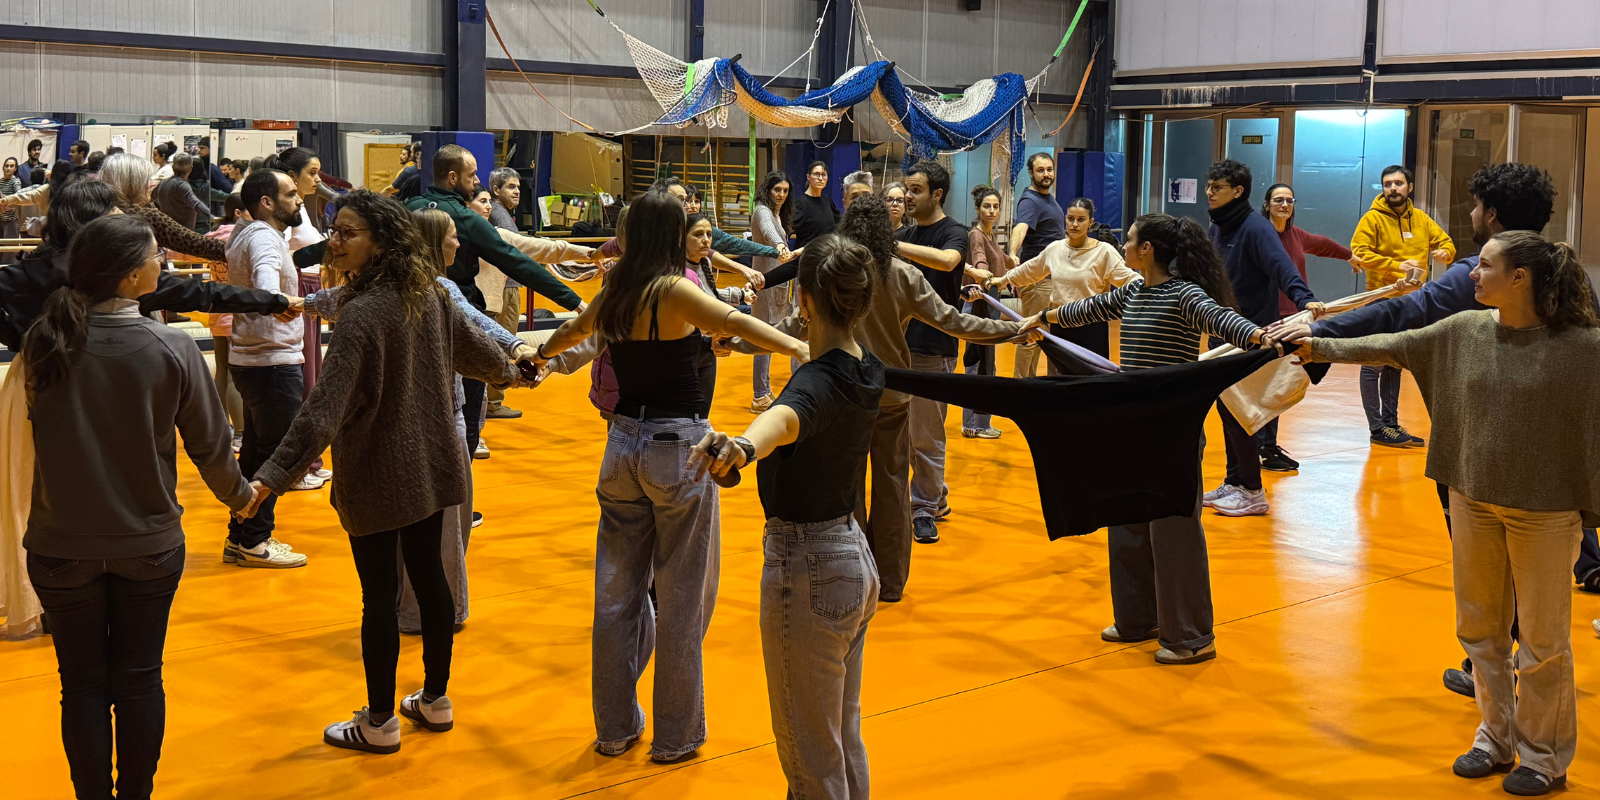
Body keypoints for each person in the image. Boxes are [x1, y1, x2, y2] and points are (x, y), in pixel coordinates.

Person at [1271, 162, 1600, 699]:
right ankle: (1513, 677)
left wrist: (1319, 330)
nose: (1470, 215)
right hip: (1551, 465)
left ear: (1492, 215)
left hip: (1480, 454)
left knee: (1491, 579)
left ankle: (1497, 676)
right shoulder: (1568, 273)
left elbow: (1405, 316)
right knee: (1538, 580)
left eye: (1475, 207)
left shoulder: (1481, 274)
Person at [1300, 231, 1599, 797]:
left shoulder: (1584, 348)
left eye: (1485, 265)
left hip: (1546, 513)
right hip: (1472, 500)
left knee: (1542, 641)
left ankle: (1544, 757)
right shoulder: (1463, 331)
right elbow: (1390, 343)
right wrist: (1315, 345)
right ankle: (1496, 736)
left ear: (1522, 278)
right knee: (1481, 630)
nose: (1470, 274)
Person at [528, 190, 808, 763]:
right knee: (682, 599)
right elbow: (738, 322)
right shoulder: (674, 290)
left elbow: (568, 336)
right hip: (677, 448)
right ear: (670, 236)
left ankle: (614, 727)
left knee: (616, 596)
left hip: (620, 447)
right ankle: (676, 735)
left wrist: (535, 359)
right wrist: (802, 345)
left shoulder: (616, 292)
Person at [245, 190, 519, 753]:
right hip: (434, 463)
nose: (336, 242)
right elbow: (479, 356)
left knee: (381, 597)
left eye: (348, 232)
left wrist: (270, 477)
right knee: (431, 581)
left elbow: (325, 409)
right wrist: (514, 372)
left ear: (383, 243)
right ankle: (435, 700)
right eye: (334, 230)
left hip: (376, 471)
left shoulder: (363, 313)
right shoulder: (428, 296)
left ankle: (379, 721)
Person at [21, 214, 263, 800]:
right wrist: (242, 498)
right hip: (148, 545)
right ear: (132, 278)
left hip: (58, 547)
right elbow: (211, 445)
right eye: (157, 256)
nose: (165, 263)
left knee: (79, 686)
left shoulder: (43, 340)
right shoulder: (171, 346)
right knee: (137, 680)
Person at [735, 194, 1026, 600]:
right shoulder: (904, 274)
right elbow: (953, 321)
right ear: (888, 232)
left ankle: (855, 578)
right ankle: (890, 583)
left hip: (841, 398)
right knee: (892, 489)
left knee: (846, 489)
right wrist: (1014, 329)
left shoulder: (835, 273)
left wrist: (735, 340)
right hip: (891, 398)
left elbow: (789, 326)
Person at [1021, 213, 1280, 665]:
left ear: (1149, 251)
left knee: (1173, 533)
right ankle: (1138, 619)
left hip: (1172, 431)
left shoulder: (1185, 295)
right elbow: (1088, 308)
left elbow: (1224, 321)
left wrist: (1261, 336)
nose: (1123, 244)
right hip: (1132, 426)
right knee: (1127, 523)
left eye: (1131, 240)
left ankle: (1192, 636)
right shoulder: (1134, 291)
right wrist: (1043, 318)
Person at [687, 234, 884, 798]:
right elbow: (803, 394)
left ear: (803, 298)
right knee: (840, 739)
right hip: (852, 557)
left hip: (810, 569)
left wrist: (742, 447)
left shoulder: (815, 385)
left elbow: (785, 421)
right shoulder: (864, 366)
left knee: (810, 756)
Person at [407, 144, 584, 456]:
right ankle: (460, 492)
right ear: (452, 177)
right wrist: (573, 301)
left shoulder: (409, 208)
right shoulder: (465, 220)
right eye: (473, 176)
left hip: (414, 319)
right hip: (461, 321)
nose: (478, 183)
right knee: (465, 412)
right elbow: (517, 260)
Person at [0, 180, 295, 353]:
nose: (120, 212)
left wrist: (18, 338)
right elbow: (201, 293)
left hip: (38, 384)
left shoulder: (28, 268)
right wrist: (272, 301)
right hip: (108, 384)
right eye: (112, 207)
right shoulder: (122, 272)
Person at [1202, 159, 1323, 517]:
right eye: (1208, 186)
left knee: (1242, 412)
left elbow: (1280, 266)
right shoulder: (1219, 227)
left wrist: (1303, 297)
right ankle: (1234, 481)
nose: (1209, 193)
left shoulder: (1255, 228)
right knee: (1226, 409)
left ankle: (1252, 490)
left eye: (1216, 188)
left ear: (1237, 192)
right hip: (1221, 333)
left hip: (1251, 337)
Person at [222, 169, 317, 567]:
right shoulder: (263, 236)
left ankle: (239, 535)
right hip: (271, 361)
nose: (299, 200)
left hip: (252, 358)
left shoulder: (246, 232)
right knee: (276, 457)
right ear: (267, 202)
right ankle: (256, 541)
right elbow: (265, 286)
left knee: (257, 452)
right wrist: (282, 305)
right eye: (291, 194)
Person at [1252, 183, 1361, 472]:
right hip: (1265, 320)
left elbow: (1322, 244)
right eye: (1278, 200)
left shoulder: (1296, 235)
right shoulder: (1259, 236)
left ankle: (1267, 445)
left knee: (1282, 384)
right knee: (1266, 385)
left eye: (1289, 200)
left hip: (1295, 320)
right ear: (1267, 205)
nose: (1284, 205)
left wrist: (1349, 255)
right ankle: (1261, 447)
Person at [1349, 165, 1454, 448]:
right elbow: (1359, 253)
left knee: (1394, 363)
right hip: (1380, 300)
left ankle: (1391, 425)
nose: (1392, 188)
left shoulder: (1420, 218)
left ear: (1409, 187)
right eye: (1387, 184)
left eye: (1398, 183)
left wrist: (1446, 252)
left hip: (1411, 302)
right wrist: (1397, 266)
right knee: (1373, 364)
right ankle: (1377, 427)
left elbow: (1444, 241)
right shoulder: (1372, 219)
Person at [894, 160, 971, 544]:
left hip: (933, 345)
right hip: (900, 345)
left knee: (926, 434)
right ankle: (934, 495)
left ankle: (923, 508)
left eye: (916, 190)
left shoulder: (952, 231)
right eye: (906, 189)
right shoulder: (908, 232)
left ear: (937, 194)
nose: (908, 196)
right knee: (907, 433)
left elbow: (948, 261)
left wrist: (894, 244)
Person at [992, 196, 1138, 364]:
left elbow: (1129, 279)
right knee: (1060, 380)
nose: (1074, 224)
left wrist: (1152, 290)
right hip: (1059, 323)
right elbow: (1031, 269)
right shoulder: (1055, 248)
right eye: (1070, 219)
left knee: (1090, 382)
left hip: (1091, 328)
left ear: (1090, 223)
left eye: (1081, 220)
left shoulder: (1104, 252)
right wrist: (1003, 280)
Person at [97, 153, 230, 265]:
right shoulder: (146, 216)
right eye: (145, 179)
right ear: (132, 185)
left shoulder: (99, 210)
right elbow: (197, 244)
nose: (151, 183)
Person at [959, 185, 1011, 439]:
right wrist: (983, 275)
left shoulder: (991, 236)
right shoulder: (976, 235)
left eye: (995, 206)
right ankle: (972, 424)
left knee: (987, 364)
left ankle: (980, 422)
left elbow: (1002, 260)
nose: (991, 211)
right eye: (987, 206)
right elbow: (979, 259)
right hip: (979, 302)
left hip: (990, 303)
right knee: (977, 363)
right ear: (978, 209)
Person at [1009, 153, 1065, 378]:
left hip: (1048, 279)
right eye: (1040, 170)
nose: (1046, 174)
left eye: (1049, 169)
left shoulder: (1047, 199)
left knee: (1039, 336)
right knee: (1030, 337)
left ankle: (1030, 386)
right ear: (1031, 173)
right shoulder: (1031, 201)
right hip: (1037, 280)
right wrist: (1013, 253)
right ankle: (1020, 388)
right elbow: (1020, 228)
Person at [750, 170, 800, 412]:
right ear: (767, 190)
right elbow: (768, 231)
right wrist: (780, 245)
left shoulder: (778, 213)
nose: (781, 195)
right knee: (763, 339)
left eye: (785, 190)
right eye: (777, 190)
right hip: (765, 284)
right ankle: (759, 395)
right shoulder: (763, 211)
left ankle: (766, 391)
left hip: (777, 284)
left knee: (771, 338)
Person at [484, 167, 527, 420]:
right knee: (504, 342)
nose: (517, 191)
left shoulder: (501, 214)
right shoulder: (500, 214)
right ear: (496, 190)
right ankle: (493, 402)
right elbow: (517, 250)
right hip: (506, 287)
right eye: (511, 187)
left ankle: (489, 400)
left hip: (502, 286)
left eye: (518, 187)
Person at [152, 154, 211, 232]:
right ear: (191, 168)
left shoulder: (163, 183)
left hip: (166, 230)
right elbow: (196, 203)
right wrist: (210, 215)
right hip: (183, 233)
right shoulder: (182, 185)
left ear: (173, 167)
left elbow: (151, 198)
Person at [792, 160, 839, 247]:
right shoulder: (801, 203)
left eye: (824, 175)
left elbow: (839, 224)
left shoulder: (827, 201)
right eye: (816, 174)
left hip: (826, 254)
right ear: (808, 177)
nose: (820, 178)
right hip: (807, 254)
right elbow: (790, 229)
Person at [0, 157, 19, 264]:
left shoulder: (15, 182)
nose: (8, 168)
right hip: (0, 220)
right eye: (6, 166)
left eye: (11, 166)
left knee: (9, 252)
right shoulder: (0, 181)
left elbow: (18, 198)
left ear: (15, 169)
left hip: (11, 221)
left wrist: (4, 200)